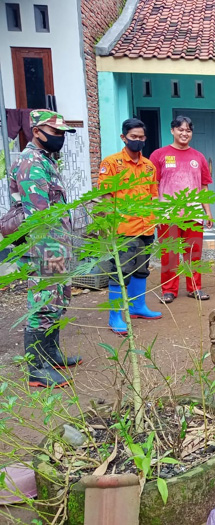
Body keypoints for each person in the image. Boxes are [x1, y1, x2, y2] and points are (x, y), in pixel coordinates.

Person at [9, 110, 81, 387]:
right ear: (36, 131)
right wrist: (55, 248)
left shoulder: (46, 160)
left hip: (56, 244)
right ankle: (36, 368)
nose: (59, 138)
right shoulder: (30, 163)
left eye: (62, 133)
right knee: (42, 305)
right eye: (55, 132)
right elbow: (39, 214)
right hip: (44, 246)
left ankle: (51, 353)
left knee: (57, 302)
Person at [98, 118, 162, 334]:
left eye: (141, 137)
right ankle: (115, 316)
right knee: (120, 272)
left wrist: (156, 218)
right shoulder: (111, 163)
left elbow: (153, 195)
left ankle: (138, 306)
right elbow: (106, 196)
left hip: (146, 226)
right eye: (133, 137)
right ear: (123, 137)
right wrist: (110, 224)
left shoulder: (149, 166)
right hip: (123, 229)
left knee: (141, 269)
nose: (137, 141)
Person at [150, 115, 214, 303]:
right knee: (169, 254)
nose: (184, 133)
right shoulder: (159, 155)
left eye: (188, 130)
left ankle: (195, 287)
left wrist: (207, 211)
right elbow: (153, 185)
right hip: (168, 213)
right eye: (180, 129)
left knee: (193, 253)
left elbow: (204, 185)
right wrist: (157, 211)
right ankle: (169, 290)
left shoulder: (198, 157)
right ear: (172, 131)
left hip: (193, 213)